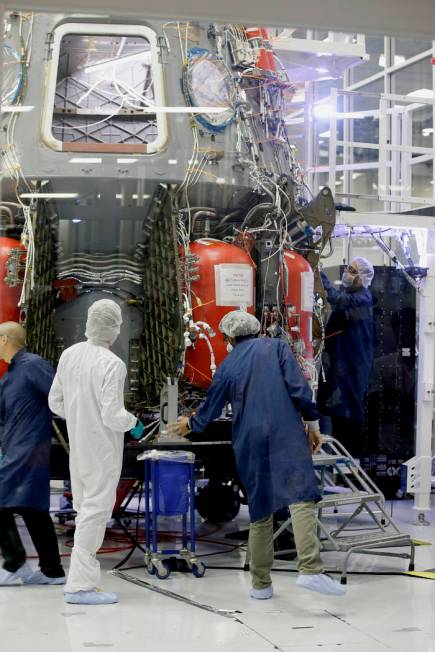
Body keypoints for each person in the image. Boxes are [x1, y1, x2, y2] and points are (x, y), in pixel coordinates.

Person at [168, 310, 345, 600]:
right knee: (300, 496)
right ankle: (310, 570)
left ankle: (261, 584)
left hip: (248, 440)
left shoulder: (226, 366)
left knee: (260, 509)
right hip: (283, 431)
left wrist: (190, 423)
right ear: (256, 330)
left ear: (228, 337)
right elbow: (299, 390)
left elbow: (210, 409)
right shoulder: (276, 348)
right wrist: (312, 424)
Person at [48, 299, 144, 605]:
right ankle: (79, 586)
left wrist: (79, 413)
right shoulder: (112, 363)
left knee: (84, 508)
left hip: (78, 446)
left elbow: (55, 402)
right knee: (96, 511)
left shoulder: (69, 354)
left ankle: (83, 580)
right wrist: (135, 423)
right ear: (113, 327)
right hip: (102, 448)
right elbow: (112, 415)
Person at [0, 322, 65, 586]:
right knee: (33, 510)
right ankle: (53, 570)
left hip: (29, 449)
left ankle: (15, 563)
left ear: (5, 339)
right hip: (14, 450)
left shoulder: (32, 365)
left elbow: (60, 397)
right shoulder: (9, 376)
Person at [317, 257, 375, 457]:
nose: (347, 274)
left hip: (351, 368)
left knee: (348, 416)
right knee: (333, 411)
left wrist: (318, 274)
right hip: (340, 366)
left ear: (361, 278)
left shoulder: (362, 299)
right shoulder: (353, 297)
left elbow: (338, 300)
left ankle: (350, 463)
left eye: (351, 270)